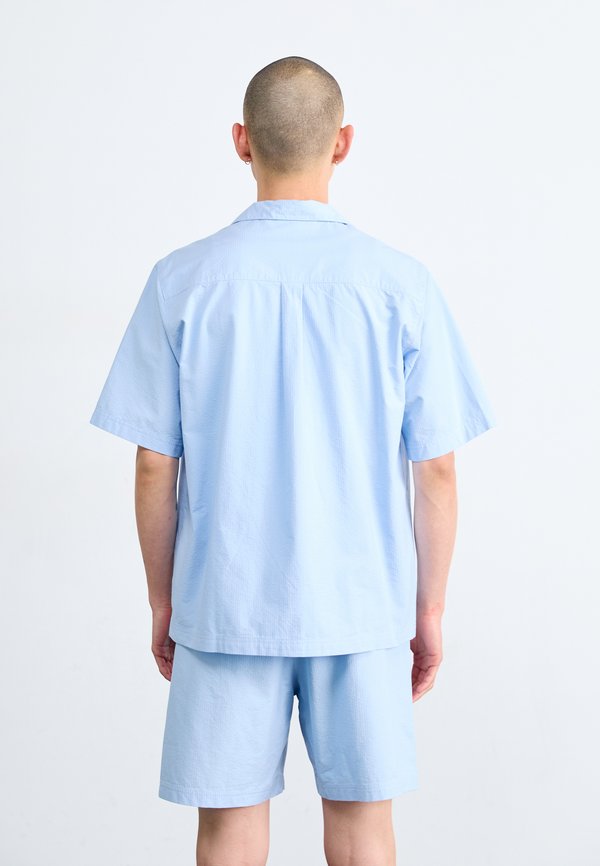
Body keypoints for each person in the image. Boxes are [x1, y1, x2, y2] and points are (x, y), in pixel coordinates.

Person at [89, 55, 496, 866]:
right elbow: (437, 470)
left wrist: (164, 601)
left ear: (241, 141)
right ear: (343, 143)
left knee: (229, 830)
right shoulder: (401, 285)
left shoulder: (182, 281)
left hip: (225, 602)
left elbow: (154, 465)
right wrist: (428, 612)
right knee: (363, 826)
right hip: (362, 604)